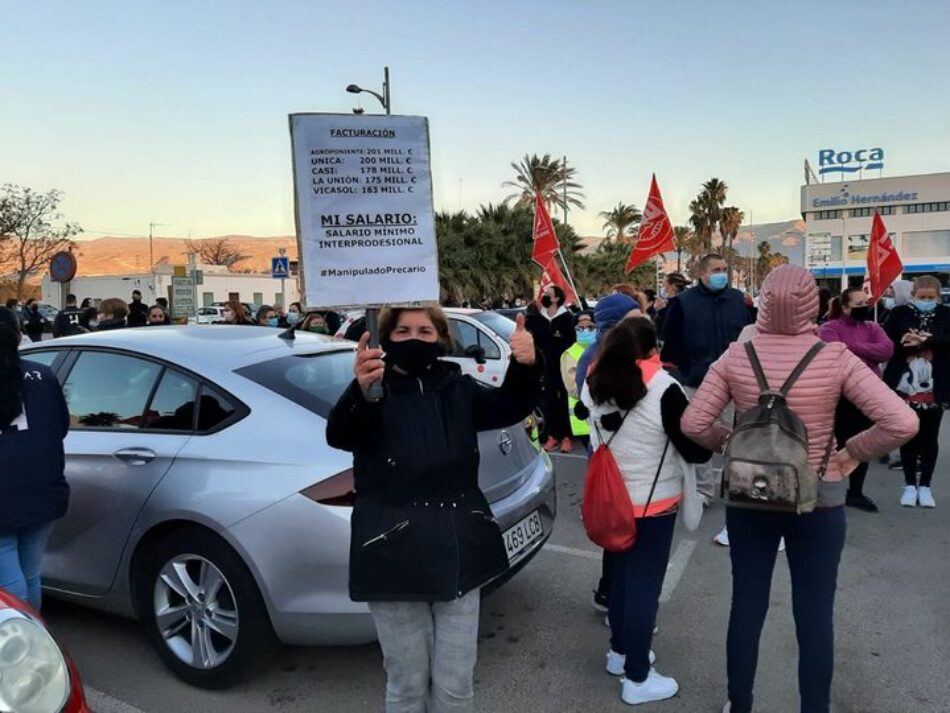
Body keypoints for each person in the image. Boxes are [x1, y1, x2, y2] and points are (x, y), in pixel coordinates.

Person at [681, 265, 917, 713]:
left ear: (764, 303)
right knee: (814, 615)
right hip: (821, 499)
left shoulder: (736, 355)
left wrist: (729, 446)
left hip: (750, 498)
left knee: (746, 607)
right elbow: (902, 422)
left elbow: (693, 423)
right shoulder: (835, 357)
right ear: (814, 304)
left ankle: (740, 703)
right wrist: (850, 454)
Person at [325, 307, 541, 713]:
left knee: (456, 685)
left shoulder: (457, 386)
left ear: (441, 337)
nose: (413, 338)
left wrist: (527, 364)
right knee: (406, 684)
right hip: (391, 552)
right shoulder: (374, 389)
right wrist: (359, 391)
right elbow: (340, 434)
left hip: (459, 546)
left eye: (425, 330)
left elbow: (507, 406)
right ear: (385, 337)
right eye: (403, 330)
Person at [583, 317, 711, 705]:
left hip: (610, 501)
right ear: (652, 350)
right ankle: (638, 676)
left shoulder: (593, 383)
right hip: (653, 505)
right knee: (643, 589)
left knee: (621, 578)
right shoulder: (663, 388)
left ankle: (620, 653)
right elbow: (695, 449)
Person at [661, 253, 750, 514]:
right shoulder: (683, 303)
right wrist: (687, 369)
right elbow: (670, 343)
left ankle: (739, 485)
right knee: (699, 436)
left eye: (724, 268)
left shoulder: (737, 300)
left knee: (735, 438)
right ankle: (703, 490)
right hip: (696, 381)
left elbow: (749, 336)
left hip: (734, 385)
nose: (721, 273)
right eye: (716, 269)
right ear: (702, 274)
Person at [0, 307, 70, 611]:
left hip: (6, 498)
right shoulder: (43, 374)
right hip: (45, 490)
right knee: (29, 574)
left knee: (10, 585)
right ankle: (36, 642)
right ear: (18, 336)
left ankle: (21, 648)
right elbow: (61, 426)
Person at [573, 292, 638, 612]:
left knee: (624, 534)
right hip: (613, 456)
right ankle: (616, 602)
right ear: (615, 325)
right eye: (633, 318)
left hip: (627, 455)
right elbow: (592, 405)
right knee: (619, 529)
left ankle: (607, 592)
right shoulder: (594, 359)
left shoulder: (631, 350)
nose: (642, 322)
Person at [818, 288, 894, 512]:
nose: (864, 307)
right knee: (834, 443)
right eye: (858, 304)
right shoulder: (830, 327)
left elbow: (887, 350)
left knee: (861, 444)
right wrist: (869, 352)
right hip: (839, 394)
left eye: (866, 302)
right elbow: (833, 353)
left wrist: (853, 347)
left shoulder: (872, 327)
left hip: (866, 394)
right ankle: (827, 490)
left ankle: (856, 491)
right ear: (844, 307)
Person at [883, 275, 949, 508]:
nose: (927, 300)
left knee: (930, 437)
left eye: (931, 297)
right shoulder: (899, 313)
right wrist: (907, 340)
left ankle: (926, 486)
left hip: (936, 384)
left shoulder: (945, 314)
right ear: (913, 295)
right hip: (904, 383)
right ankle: (910, 485)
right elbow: (890, 338)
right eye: (922, 297)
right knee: (908, 433)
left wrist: (923, 341)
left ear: (938, 296)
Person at [540, 285, 576, 452]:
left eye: (548, 294)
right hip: (547, 371)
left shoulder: (567, 318)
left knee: (564, 403)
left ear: (556, 299)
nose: (545, 296)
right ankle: (552, 436)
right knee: (550, 403)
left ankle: (566, 437)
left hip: (564, 369)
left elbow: (572, 344)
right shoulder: (541, 318)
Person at [561, 312, 595, 447]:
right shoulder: (570, 354)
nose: (586, 330)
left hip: (603, 416)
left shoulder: (603, 348)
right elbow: (573, 388)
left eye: (590, 327)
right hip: (584, 419)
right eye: (581, 328)